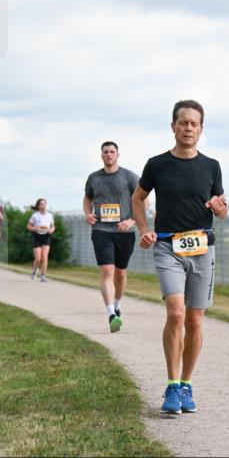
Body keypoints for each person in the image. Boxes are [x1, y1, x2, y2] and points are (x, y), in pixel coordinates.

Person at [132, 99, 228, 416]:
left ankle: (187, 384)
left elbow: (222, 208)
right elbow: (138, 198)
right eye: (183, 122)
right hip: (168, 247)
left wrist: (220, 208)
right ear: (172, 126)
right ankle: (172, 385)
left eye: (194, 123)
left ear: (201, 129)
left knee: (195, 320)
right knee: (175, 313)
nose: (188, 128)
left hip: (202, 248)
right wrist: (143, 228)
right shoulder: (157, 165)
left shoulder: (211, 166)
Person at [83, 141, 139, 332]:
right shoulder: (94, 178)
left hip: (124, 232)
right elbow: (88, 198)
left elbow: (144, 201)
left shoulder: (129, 176)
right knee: (107, 271)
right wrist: (87, 214)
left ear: (117, 154)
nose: (108, 155)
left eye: (112, 152)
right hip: (101, 231)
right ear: (101, 155)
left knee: (120, 274)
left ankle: (117, 305)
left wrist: (131, 221)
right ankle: (111, 314)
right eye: (105, 152)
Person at [26, 198, 55, 282]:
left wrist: (51, 230)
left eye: (44, 203)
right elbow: (28, 226)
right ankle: (34, 271)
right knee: (38, 258)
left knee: (45, 256)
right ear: (38, 206)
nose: (43, 205)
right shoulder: (35, 215)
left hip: (46, 236)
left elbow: (52, 226)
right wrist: (35, 228)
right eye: (41, 204)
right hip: (37, 236)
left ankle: (43, 276)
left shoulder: (50, 215)